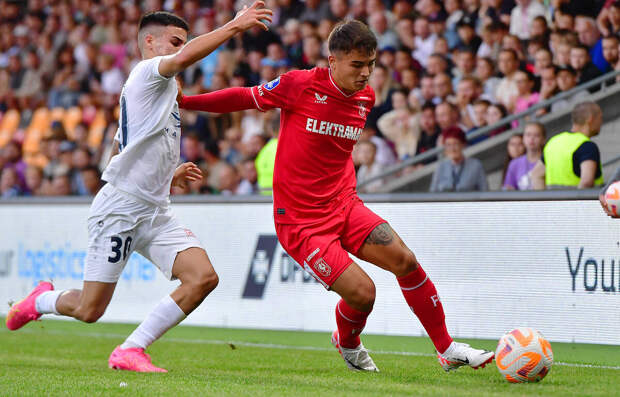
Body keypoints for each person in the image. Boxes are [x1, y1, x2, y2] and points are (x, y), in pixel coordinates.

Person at [178, 20, 493, 373]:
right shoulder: (300, 85)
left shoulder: (366, 97)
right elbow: (244, 97)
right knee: (363, 294)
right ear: (333, 61)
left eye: (370, 64)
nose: (365, 73)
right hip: (301, 222)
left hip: (344, 204)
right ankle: (348, 341)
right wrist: (186, 101)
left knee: (405, 260)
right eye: (357, 65)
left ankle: (446, 348)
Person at [5, 6, 273, 372]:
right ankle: (41, 301)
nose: (182, 49)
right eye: (176, 42)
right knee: (89, 309)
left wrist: (166, 175)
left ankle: (130, 349)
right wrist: (233, 26)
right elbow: (185, 59)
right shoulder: (146, 72)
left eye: (183, 43)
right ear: (150, 42)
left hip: (155, 209)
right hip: (121, 209)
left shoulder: (160, 90)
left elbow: (124, 147)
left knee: (203, 277)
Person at [532, 101, 604, 189]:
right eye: (600, 118)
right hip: (582, 198)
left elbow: (536, 175)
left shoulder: (553, 142)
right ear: (591, 119)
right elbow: (586, 182)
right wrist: (578, 198)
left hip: (554, 198)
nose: (601, 122)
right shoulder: (587, 146)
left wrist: (544, 197)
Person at [430, 126, 488, 192]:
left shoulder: (475, 165)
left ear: (463, 145)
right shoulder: (441, 167)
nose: (452, 149)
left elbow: (485, 191)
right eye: (448, 145)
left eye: (455, 144)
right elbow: (433, 193)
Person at [503, 122, 545, 190]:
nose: (532, 138)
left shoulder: (548, 160)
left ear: (543, 139)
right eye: (528, 135)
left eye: (536, 135)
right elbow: (508, 190)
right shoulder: (514, 164)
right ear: (523, 138)